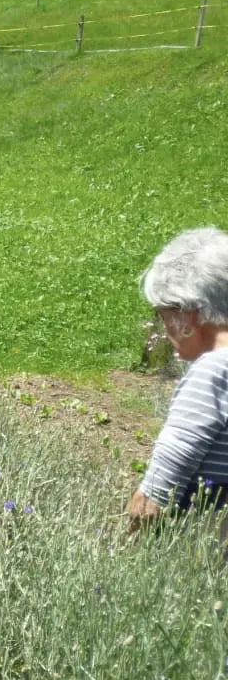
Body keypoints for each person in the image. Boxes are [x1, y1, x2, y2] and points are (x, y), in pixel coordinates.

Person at [127, 227, 228, 533]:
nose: (163, 328)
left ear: (188, 316)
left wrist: (145, 508)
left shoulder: (212, 371)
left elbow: (181, 447)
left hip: (208, 523)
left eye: (164, 315)